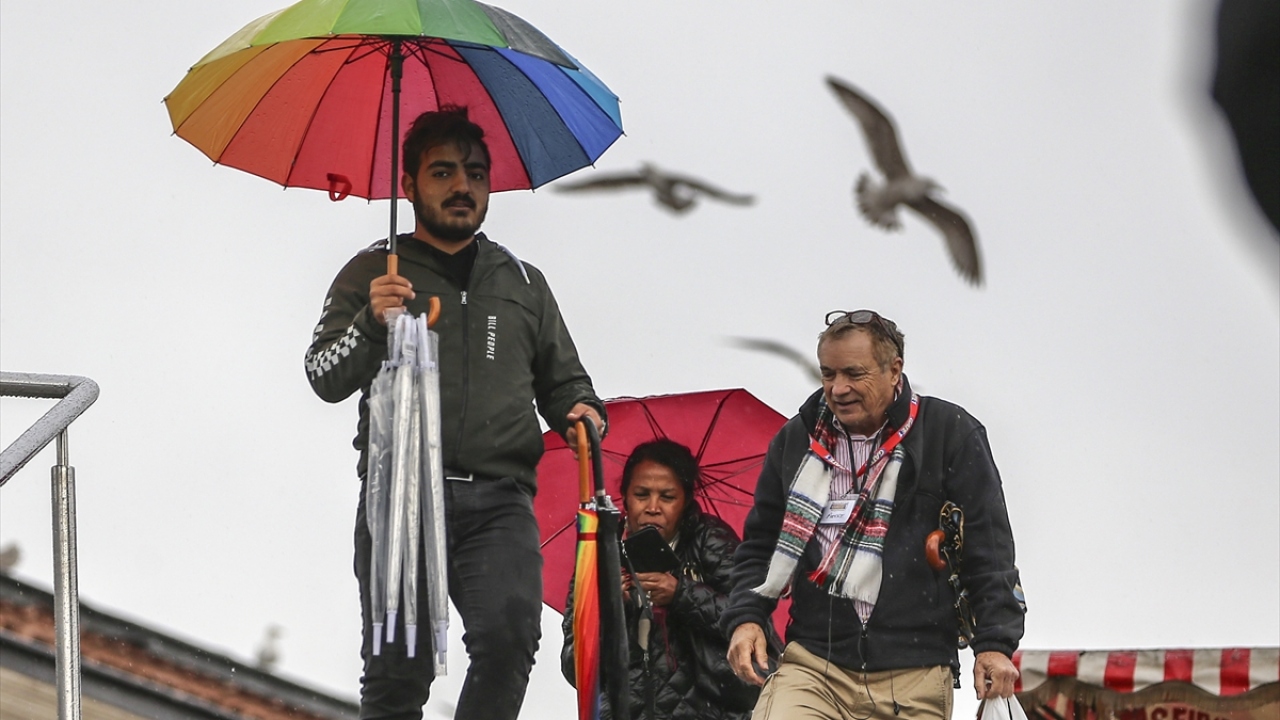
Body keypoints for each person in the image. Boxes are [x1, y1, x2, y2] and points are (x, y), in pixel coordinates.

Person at [305, 107, 606, 720]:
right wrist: (370, 322)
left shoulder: (524, 282)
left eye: (475, 173)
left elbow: (566, 383)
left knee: (509, 641)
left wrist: (582, 411)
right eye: (442, 172)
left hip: (500, 500)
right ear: (409, 185)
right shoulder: (372, 271)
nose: (462, 186)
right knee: (397, 678)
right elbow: (322, 375)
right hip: (401, 498)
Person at [721, 310, 1025, 720]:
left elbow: (988, 549)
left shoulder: (949, 432)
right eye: (828, 374)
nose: (838, 388)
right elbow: (761, 546)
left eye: (853, 373)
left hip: (915, 673)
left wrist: (994, 644)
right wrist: (746, 618)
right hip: (814, 664)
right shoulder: (796, 440)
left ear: (894, 369)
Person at [561, 439, 767, 720]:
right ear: (624, 496)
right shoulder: (598, 555)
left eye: (667, 497)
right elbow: (575, 668)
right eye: (641, 495)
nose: (653, 507)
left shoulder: (710, 540)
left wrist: (681, 594)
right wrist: (612, 611)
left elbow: (751, 619)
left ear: (685, 502)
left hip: (707, 710)